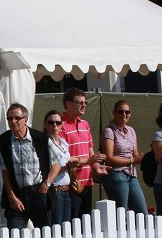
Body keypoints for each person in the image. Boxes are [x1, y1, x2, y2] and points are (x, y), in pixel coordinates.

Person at [0, 103, 63, 229]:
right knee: (16, 237)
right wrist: (11, 196)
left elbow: (57, 164)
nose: (13, 121)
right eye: (9, 118)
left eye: (17, 118)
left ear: (26, 119)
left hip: (39, 193)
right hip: (17, 195)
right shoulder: (2, 141)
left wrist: (46, 185)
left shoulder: (40, 138)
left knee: (44, 236)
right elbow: (4, 171)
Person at [60, 87, 105, 219]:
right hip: (70, 183)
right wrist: (89, 161)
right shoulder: (60, 126)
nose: (84, 105)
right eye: (80, 102)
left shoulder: (85, 124)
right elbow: (64, 157)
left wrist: (97, 166)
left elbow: (90, 150)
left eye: (85, 102)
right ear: (68, 104)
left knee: (84, 221)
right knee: (72, 223)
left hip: (87, 182)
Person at [100, 101, 147, 214]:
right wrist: (132, 160)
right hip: (116, 174)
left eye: (127, 112)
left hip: (131, 174)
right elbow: (109, 158)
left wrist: (143, 158)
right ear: (114, 113)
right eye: (120, 112)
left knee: (142, 212)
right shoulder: (109, 131)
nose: (124, 115)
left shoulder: (131, 131)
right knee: (121, 211)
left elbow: (135, 153)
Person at [41, 110, 73, 226]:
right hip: (55, 189)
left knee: (66, 226)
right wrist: (68, 166)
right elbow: (48, 168)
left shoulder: (63, 142)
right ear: (45, 124)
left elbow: (67, 160)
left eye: (58, 123)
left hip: (66, 189)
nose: (55, 125)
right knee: (57, 226)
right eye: (51, 122)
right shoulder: (44, 142)